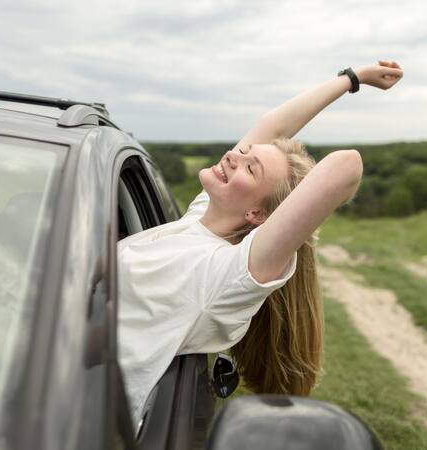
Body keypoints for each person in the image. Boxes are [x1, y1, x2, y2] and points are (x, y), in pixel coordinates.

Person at [117, 60, 404, 427]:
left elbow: (346, 165)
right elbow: (273, 126)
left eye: (250, 168)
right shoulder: (196, 221)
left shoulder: (226, 274)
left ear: (258, 215)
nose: (234, 156)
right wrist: (354, 78)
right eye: (244, 154)